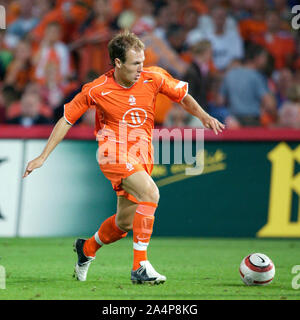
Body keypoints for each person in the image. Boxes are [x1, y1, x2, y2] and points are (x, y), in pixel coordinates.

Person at [23, 31, 224, 284]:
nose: (141, 68)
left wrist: (204, 116)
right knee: (151, 193)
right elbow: (67, 120)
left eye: (142, 61)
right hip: (112, 153)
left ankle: (86, 249)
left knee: (123, 224)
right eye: (135, 63)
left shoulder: (154, 77)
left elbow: (182, 96)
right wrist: (42, 156)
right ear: (117, 63)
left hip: (141, 155)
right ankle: (140, 267)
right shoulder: (97, 89)